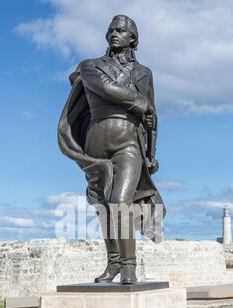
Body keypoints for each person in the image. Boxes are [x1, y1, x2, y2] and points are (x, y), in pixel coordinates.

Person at [58, 15, 165, 285]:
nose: (114, 34)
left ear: (133, 38)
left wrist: (151, 154)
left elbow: (151, 116)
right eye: (111, 30)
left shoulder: (145, 73)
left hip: (128, 143)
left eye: (121, 30)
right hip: (96, 144)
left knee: (120, 203)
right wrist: (138, 101)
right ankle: (113, 263)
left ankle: (129, 266)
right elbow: (105, 88)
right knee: (103, 206)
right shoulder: (90, 66)